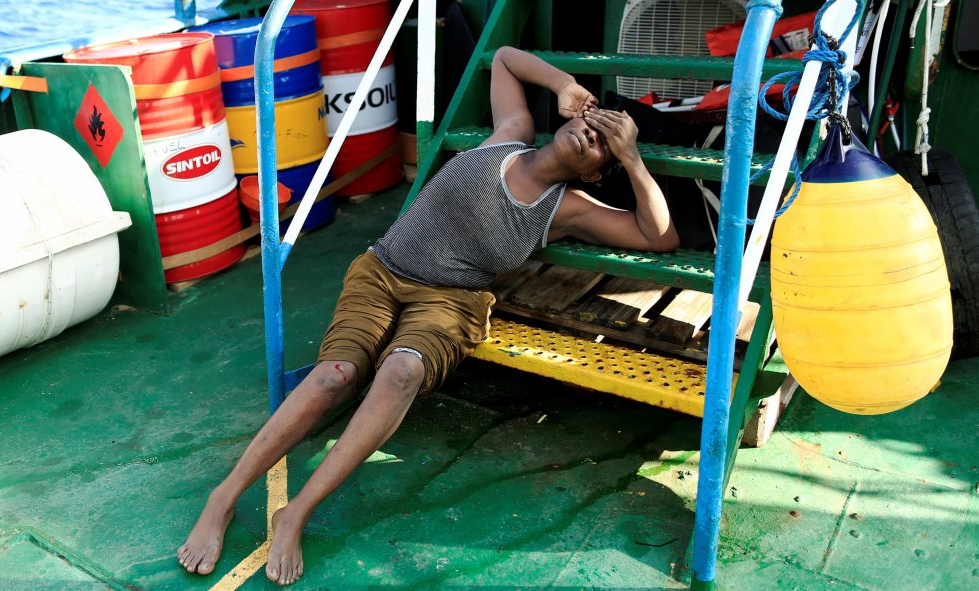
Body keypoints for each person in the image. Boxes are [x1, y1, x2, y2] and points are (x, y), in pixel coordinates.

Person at [177, 46, 679, 586]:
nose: (592, 136)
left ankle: (295, 512)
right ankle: (224, 496)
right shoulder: (510, 132)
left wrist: (632, 157)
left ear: (598, 172)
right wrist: (562, 85)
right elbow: (506, 57)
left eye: (603, 145)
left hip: (451, 300)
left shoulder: (567, 207)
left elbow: (660, 236)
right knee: (332, 375)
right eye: (595, 125)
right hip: (381, 271)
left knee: (401, 370)